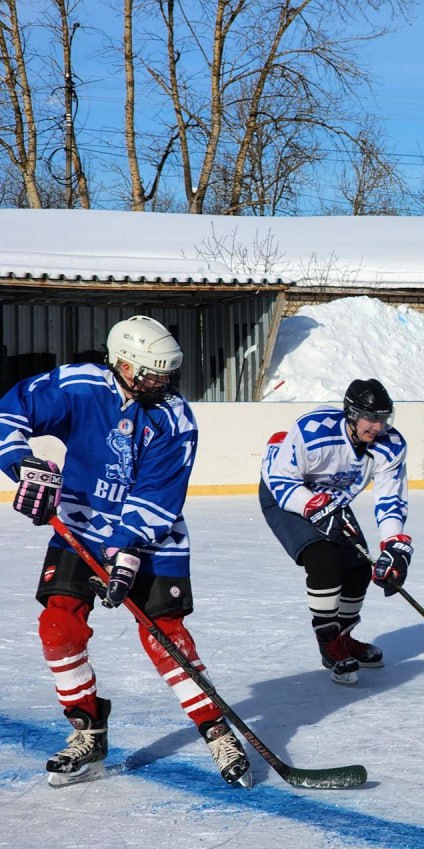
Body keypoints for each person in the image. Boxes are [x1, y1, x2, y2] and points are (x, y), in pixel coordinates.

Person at [0, 315, 251, 788]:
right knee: (58, 625)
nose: (163, 382)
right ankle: (87, 730)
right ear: (122, 364)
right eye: (152, 373)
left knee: (164, 634)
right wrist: (21, 464)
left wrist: (127, 550)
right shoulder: (79, 385)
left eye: (167, 374)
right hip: (79, 528)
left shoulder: (174, 416)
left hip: (153, 535)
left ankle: (215, 728)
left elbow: (159, 491)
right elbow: (8, 416)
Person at [260, 378, 412, 685]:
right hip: (288, 493)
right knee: (324, 559)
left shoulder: (390, 446)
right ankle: (329, 641)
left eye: (383, 418)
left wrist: (394, 543)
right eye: (372, 418)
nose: (378, 426)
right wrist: (311, 506)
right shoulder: (314, 431)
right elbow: (281, 479)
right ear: (352, 415)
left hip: (332, 500)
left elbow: (390, 498)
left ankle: (343, 636)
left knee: (358, 568)